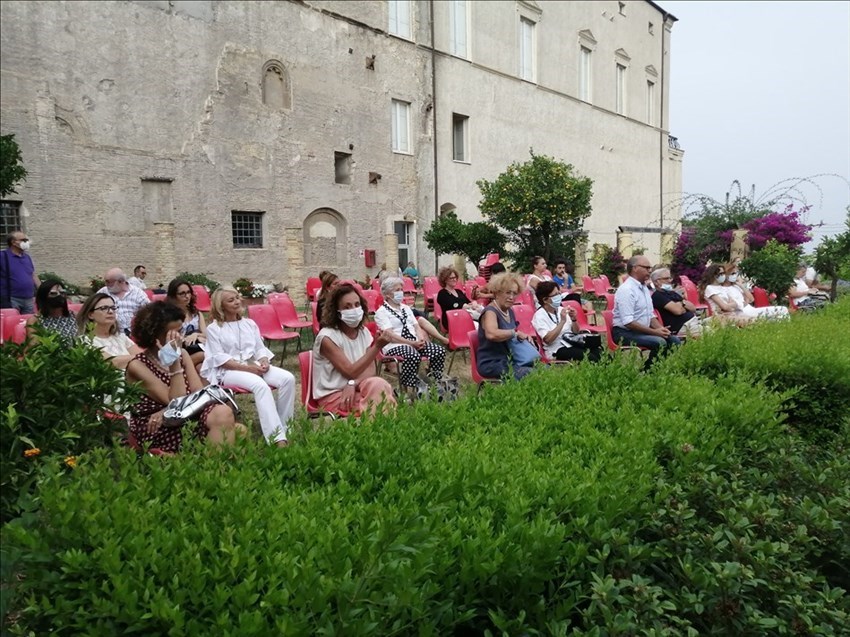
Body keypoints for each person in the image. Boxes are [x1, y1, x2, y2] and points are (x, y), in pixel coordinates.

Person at [127, 302, 245, 454]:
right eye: (174, 334)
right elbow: (175, 401)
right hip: (158, 426)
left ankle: (211, 468)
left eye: (181, 331)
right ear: (155, 336)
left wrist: (165, 410)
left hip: (185, 414)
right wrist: (174, 363)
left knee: (237, 427)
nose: (180, 337)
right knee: (225, 420)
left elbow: (197, 391)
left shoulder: (182, 354)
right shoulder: (138, 365)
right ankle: (208, 468)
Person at [201, 287, 296, 447]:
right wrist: (250, 369)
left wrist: (264, 360)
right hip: (227, 371)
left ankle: (286, 427)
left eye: (237, 297)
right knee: (259, 385)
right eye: (231, 300)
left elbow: (259, 348)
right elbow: (221, 360)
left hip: (253, 365)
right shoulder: (214, 329)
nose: (237, 302)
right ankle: (277, 438)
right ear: (220, 306)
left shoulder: (249, 324)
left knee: (288, 378)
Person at [313, 283, 396, 414]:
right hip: (334, 394)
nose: (354, 309)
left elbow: (371, 369)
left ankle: (381, 427)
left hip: (356, 387)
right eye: (347, 307)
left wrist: (352, 384)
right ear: (337, 312)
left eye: (357, 305)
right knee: (380, 402)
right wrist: (377, 346)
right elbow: (349, 372)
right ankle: (381, 430)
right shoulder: (327, 337)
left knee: (379, 384)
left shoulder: (364, 332)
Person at [374, 277, 447, 393]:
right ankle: (408, 387)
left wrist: (421, 339)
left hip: (414, 342)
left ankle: (435, 382)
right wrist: (411, 343)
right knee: (412, 355)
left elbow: (416, 325)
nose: (401, 292)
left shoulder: (406, 308)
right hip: (395, 345)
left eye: (401, 289)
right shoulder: (381, 312)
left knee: (438, 351)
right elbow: (390, 335)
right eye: (397, 290)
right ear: (387, 294)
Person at [612, 256, 680, 370]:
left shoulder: (644, 288)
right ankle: (649, 372)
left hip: (641, 330)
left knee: (674, 341)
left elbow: (650, 315)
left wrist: (661, 329)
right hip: (624, 332)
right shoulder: (627, 290)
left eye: (650, 268)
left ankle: (653, 368)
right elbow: (628, 322)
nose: (650, 271)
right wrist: (655, 332)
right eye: (647, 268)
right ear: (635, 268)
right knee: (660, 342)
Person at [477, 272, 536, 380]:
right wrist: (515, 333)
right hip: (492, 362)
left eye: (514, 293)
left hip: (510, 359)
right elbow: (491, 334)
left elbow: (512, 336)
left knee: (544, 369)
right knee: (530, 373)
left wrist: (524, 337)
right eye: (508, 293)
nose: (511, 297)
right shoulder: (490, 312)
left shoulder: (510, 311)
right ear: (497, 293)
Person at [532, 280, 601, 362]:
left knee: (599, 351)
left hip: (572, 342)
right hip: (557, 348)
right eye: (555, 295)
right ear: (545, 300)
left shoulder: (561, 309)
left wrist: (574, 319)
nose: (559, 296)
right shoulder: (539, 316)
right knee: (590, 357)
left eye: (559, 293)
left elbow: (575, 331)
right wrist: (562, 322)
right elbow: (548, 340)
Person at [76, 292, 142, 369]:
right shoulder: (84, 341)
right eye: (103, 308)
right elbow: (112, 363)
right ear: (91, 315)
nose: (110, 311)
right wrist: (141, 359)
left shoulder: (121, 337)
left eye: (113, 308)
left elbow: (144, 357)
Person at [721, 262, 789, 320]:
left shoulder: (736, 286)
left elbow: (751, 299)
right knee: (782, 310)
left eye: (736, 273)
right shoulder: (722, 289)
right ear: (726, 275)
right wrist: (742, 303)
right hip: (742, 311)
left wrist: (741, 286)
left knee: (781, 312)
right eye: (732, 273)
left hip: (749, 308)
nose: (735, 275)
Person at [650, 268, 703, 338]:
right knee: (710, 333)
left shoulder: (672, 293)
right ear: (657, 282)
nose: (670, 281)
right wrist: (682, 305)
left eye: (670, 278)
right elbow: (677, 311)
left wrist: (681, 304)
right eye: (666, 278)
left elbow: (693, 308)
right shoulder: (657, 296)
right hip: (682, 327)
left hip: (693, 321)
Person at [166, 279, 207, 367]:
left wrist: (195, 335)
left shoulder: (196, 313)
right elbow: (170, 341)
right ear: (173, 296)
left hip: (195, 348)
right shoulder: (169, 316)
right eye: (182, 293)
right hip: (178, 352)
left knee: (200, 367)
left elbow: (206, 334)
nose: (187, 296)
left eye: (189, 292)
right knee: (203, 355)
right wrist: (186, 338)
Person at [97, 268, 150, 335]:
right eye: (105, 281)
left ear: (121, 281)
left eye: (108, 281)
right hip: (109, 333)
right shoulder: (103, 292)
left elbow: (150, 312)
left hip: (133, 333)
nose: (106, 284)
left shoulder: (138, 293)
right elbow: (91, 309)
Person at [25, 279, 77, 347]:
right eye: (53, 293)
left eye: (62, 293)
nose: (59, 296)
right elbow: (34, 345)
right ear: (43, 297)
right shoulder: (35, 321)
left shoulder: (75, 316)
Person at [0, 230, 39, 313]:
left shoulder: (27, 257)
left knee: (27, 323)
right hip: (11, 298)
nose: (26, 242)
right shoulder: (3, 256)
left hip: (28, 298)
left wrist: (43, 290)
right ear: (13, 242)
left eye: (26, 240)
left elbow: (32, 275)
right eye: (23, 240)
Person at [436, 266, 484, 330]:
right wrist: (468, 306)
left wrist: (473, 303)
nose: (454, 279)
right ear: (445, 280)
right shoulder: (442, 294)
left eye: (455, 277)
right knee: (479, 326)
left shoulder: (459, 292)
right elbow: (454, 306)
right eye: (451, 278)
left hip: (466, 316)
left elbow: (468, 302)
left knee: (483, 315)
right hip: (453, 320)